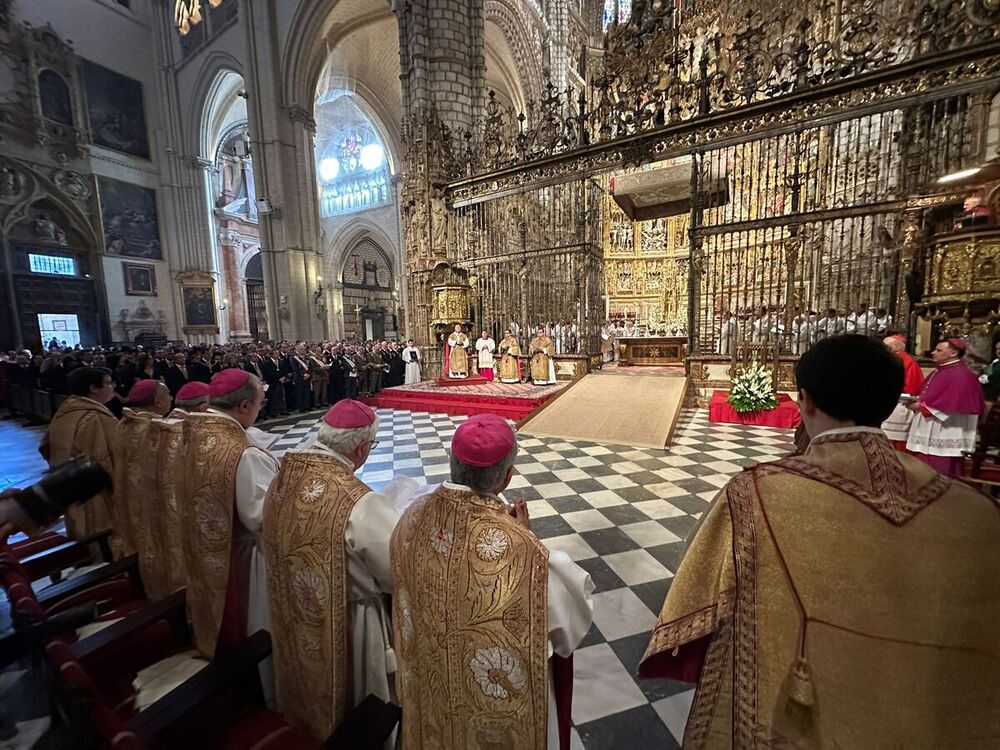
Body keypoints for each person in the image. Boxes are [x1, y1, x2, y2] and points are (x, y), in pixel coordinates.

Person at [638, 335, 1000, 746]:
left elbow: (694, 590)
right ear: (888, 403)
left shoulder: (754, 494)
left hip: (796, 712)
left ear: (804, 401)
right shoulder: (978, 515)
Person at [391, 414, 594, 750]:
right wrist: (529, 540)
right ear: (506, 478)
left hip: (431, 691)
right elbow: (567, 629)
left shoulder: (411, 515)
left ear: (452, 463)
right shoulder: (527, 554)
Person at [263, 400, 417, 741]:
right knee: (357, 702)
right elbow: (396, 573)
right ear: (362, 448)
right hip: (349, 624)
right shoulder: (359, 501)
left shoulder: (284, 477)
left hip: (294, 608)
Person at [180, 369, 276, 658]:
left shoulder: (192, 432)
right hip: (243, 557)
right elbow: (260, 517)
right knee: (253, 621)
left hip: (207, 547)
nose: (260, 410)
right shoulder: (243, 452)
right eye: (260, 403)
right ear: (244, 406)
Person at [39, 366, 119, 546]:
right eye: (107, 383)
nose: (112, 386)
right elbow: (109, 457)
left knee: (81, 528)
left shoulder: (67, 410)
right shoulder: (94, 417)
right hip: (95, 490)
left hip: (67, 483)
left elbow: (45, 445)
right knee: (102, 535)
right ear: (93, 388)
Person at [905, 338, 985, 478]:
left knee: (940, 473)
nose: (933, 352)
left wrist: (920, 406)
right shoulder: (941, 371)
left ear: (953, 353)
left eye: (939, 350)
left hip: (946, 431)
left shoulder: (961, 375)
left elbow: (953, 405)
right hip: (931, 427)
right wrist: (917, 402)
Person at [880, 335, 925, 451]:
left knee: (897, 445)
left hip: (900, 406)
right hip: (890, 404)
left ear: (897, 346)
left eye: (886, 346)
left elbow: (910, 387)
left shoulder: (907, 362)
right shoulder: (890, 359)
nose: (883, 348)